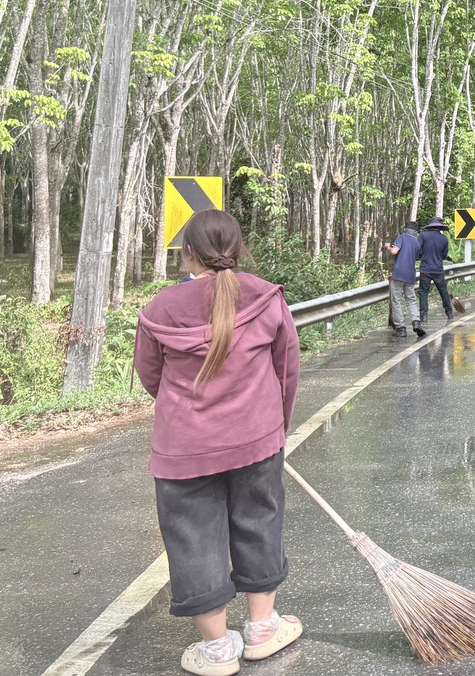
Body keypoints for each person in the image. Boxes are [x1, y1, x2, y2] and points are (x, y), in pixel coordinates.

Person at [133, 210, 305, 674]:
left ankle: (215, 652)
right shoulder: (265, 297)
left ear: (187, 252)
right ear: (238, 248)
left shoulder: (161, 308)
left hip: (183, 448)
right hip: (255, 438)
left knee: (192, 538)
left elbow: (152, 375)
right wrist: (275, 429)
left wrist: (188, 411)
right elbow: (286, 368)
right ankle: (264, 630)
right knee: (259, 522)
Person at [381, 220, 425, 338]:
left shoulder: (402, 238)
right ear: (416, 232)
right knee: (411, 299)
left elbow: (395, 251)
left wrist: (387, 247)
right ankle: (416, 322)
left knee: (397, 301)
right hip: (410, 275)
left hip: (399, 274)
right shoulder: (417, 243)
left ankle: (400, 328)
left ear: (406, 229)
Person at [415, 217, 456, 325]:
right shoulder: (444, 239)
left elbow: (417, 249)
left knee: (424, 293)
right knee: (443, 292)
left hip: (425, 270)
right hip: (438, 270)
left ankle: (423, 316)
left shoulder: (423, 235)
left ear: (430, 227)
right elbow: (444, 255)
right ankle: (449, 313)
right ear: (440, 227)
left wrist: (421, 255)